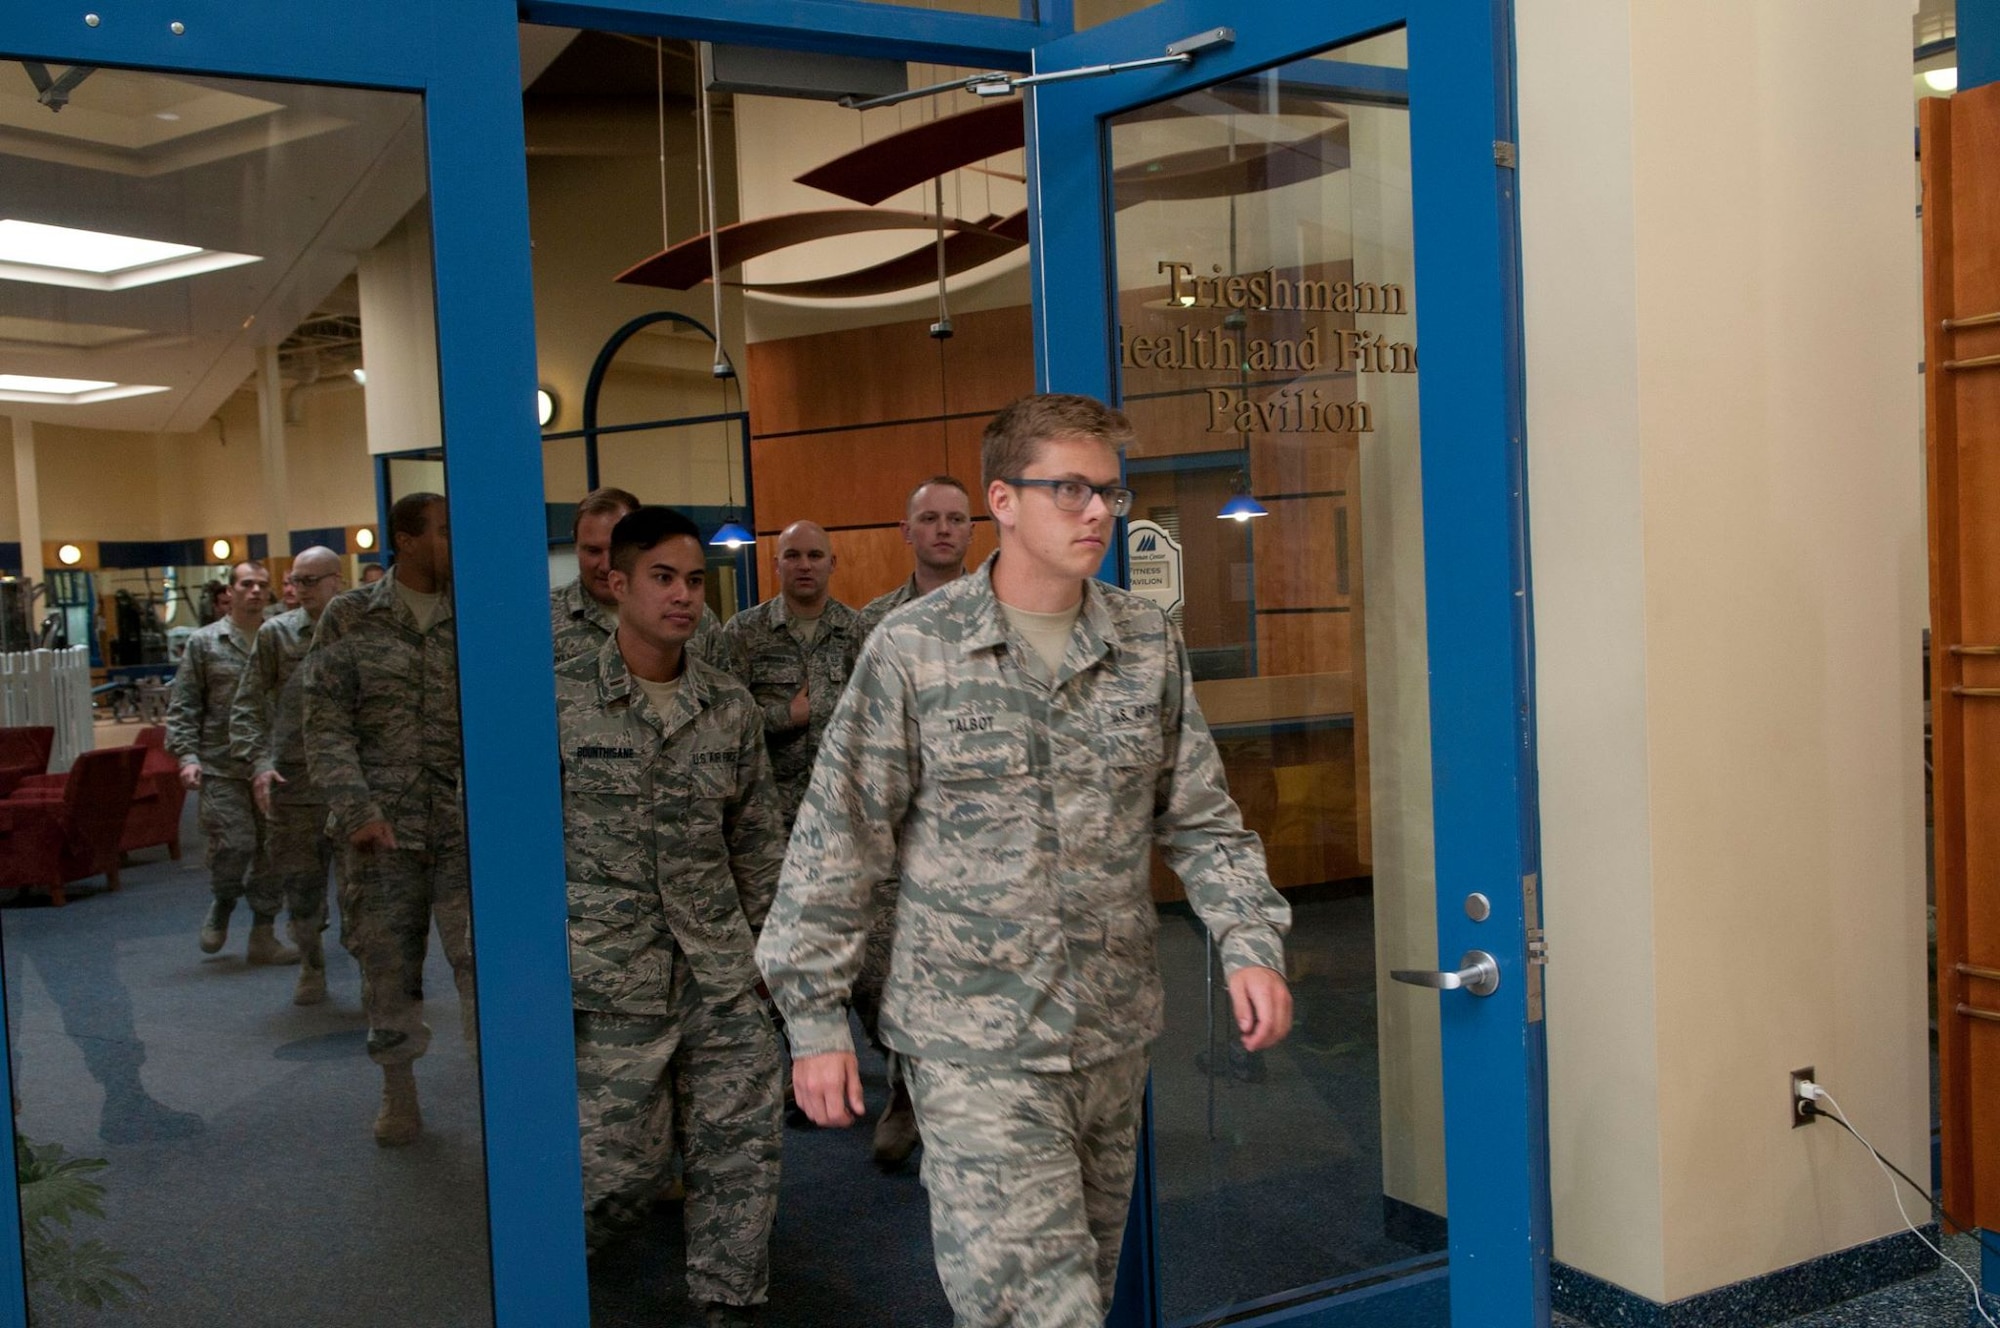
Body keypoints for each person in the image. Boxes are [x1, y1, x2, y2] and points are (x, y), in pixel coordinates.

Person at [758, 394, 1295, 1328]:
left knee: (1081, 1281)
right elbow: (839, 838)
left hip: (1110, 1037)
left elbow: (1202, 820)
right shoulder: (914, 649)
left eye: (1110, 496)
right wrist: (812, 1019)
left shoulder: (1142, 642)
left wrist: (1249, 940)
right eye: (1072, 491)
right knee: (1036, 1314)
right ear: (1002, 501)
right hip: (974, 1048)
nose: (1098, 514)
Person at [557, 507, 783, 1327]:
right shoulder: (558, 703)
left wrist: (774, 970)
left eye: (693, 580)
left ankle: (727, 1301)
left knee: (741, 1149)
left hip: (722, 968)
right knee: (620, 1168)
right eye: (663, 578)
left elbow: (758, 847)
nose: (683, 595)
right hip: (610, 974)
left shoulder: (728, 708)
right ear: (617, 584)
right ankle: (553, 1272)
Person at [303, 492, 475, 1147]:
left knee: (479, 966)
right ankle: (398, 1091)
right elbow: (323, 722)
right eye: (443, 532)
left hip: (465, 829)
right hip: (381, 836)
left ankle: (499, 1091)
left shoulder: (476, 612)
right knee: (389, 971)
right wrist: (358, 811)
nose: (454, 544)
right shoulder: (350, 618)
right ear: (406, 539)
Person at [852, 475, 976, 1168]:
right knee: (892, 976)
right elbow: (854, 741)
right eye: (929, 518)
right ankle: (906, 1089)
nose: (943, 530)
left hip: (983, 832)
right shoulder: (877, 625)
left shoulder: (1007, 614)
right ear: (907, 531)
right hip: (901, 837)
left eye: (956, 519)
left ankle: (961, 1104)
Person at [228, 546, 345, 1006]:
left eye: (310, 581)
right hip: (295, 786)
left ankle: (379, 980)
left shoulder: (361, 629)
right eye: (295, 581)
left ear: (338, 580)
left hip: (353, 785)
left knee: (366, 895)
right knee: (302, 887)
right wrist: (259, 763)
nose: (300, 590)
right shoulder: (276, 635)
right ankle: (312, 965)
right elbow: (246, 707)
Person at [166, 560, 298, 967]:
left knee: (273, 852)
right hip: (222, 764)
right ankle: (223, 901)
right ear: (232, 590)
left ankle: (263, 932)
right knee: (234, 844)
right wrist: (186, 756)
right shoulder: (206, 643)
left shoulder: (281, 637)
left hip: (275, 763)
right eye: (247, 584)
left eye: (262, 585)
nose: (255, 591)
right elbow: (185, 704)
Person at [721, 520, 864, 832]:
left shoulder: (859, 631)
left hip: (842, 813)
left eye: (815, 556)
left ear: (832, 563)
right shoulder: (743, 632)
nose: (804, 566)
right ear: (777, 565)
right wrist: (785, 716)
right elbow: (723, 725)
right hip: (768, 818)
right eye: (792, 556)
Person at [552, 486, 727, 668]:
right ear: (576, 546)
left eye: (615, 549)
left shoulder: (693, 617)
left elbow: (723, 688)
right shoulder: (545, 619)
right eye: (593, 551)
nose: (605, 565)